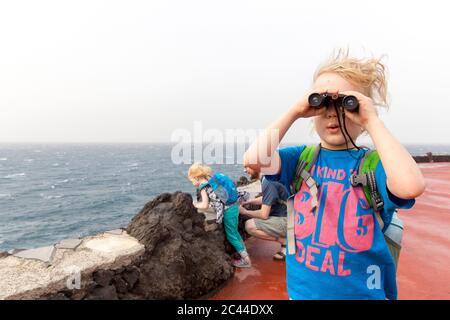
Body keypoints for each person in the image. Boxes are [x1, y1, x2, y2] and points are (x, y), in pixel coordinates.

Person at [243, 49, 426, 300]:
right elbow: (253, 160)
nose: (332, 112)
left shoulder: (372, 165)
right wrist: (296, 110)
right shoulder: (301, 158)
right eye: (323, 103)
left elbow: (410, 186)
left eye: (345, 104)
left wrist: (372, 121)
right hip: (302, 294)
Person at [188, 163, 252, 268]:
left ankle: (246, 260)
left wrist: (194, 205)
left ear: (196, 177)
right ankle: (243, 251)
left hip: (228, 211)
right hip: (235, 206)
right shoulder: (212, 179)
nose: (192, 182)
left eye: (192, 180)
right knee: (235, 232)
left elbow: (204, 205)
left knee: (231, 235)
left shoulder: (204, 187)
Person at [240, 166, 289, 260]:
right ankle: (285, 244)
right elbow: (268, 198)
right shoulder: (270, 177)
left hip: (287, 221)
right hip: (290, 217)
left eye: (247, 167)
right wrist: (248, 201)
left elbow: (263, 214)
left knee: (249, 225)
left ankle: (284, 241)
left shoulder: (268, 182)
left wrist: (245, 211)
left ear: (256, 165)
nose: (244, 170)